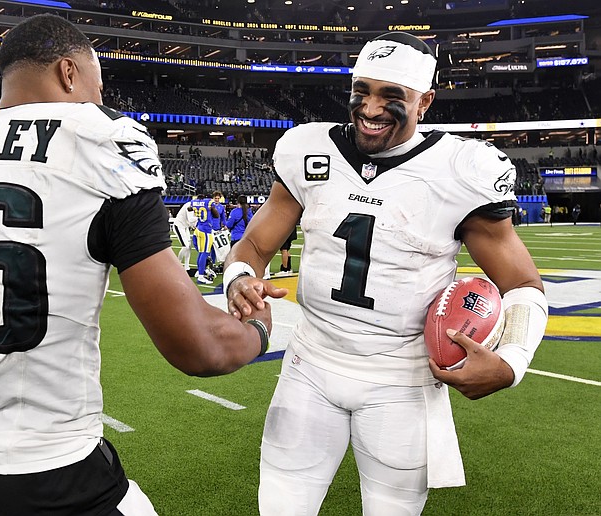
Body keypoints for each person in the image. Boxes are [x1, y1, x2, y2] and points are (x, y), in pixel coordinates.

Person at [0, 14, 273, 516]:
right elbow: (201, 350)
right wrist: (258, 327)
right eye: (96, 87)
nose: (99, 101)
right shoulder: (99, 142)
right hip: (50, 470)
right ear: (68, 72)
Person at [222, 32, 547, 516]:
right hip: (309, 364)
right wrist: (240, 278)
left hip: (401, 378)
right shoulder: (307, 148)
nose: (371, 108)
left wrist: (514, 359)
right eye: (362, 91)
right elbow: (253, 245)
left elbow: (521, 283)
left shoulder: (461, 168)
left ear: (426, 101)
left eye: (391, 96)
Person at [191, 193, 219, 285]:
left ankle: (199, 272)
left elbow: (189, 208)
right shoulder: (208, 202)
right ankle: (201, 276)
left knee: (201, 252)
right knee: (205, 253)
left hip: (198, 228)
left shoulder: (193, 202)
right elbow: (216, 215)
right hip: (206, 230)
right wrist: (212, 209)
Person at [172, 200, 197, 272]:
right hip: (179, 226)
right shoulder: (189, 206)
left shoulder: (195, 207)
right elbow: (191, 219)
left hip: (185, 227)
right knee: (185, 246)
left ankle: (186, 266)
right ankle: (177, 264)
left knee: (188, 247)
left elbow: (192, 222)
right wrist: (200, 217)